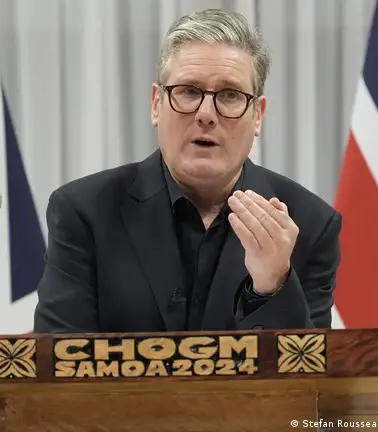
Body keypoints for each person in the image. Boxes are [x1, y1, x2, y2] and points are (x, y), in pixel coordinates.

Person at [32, 8, 341, 334]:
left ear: (258, 116)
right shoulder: (85, 213)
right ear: (156, 104)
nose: (206, 114)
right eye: (189, 91)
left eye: (230, 95)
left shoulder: (309, 225)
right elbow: (57, 356)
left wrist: (273, 284)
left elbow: (310, 366)